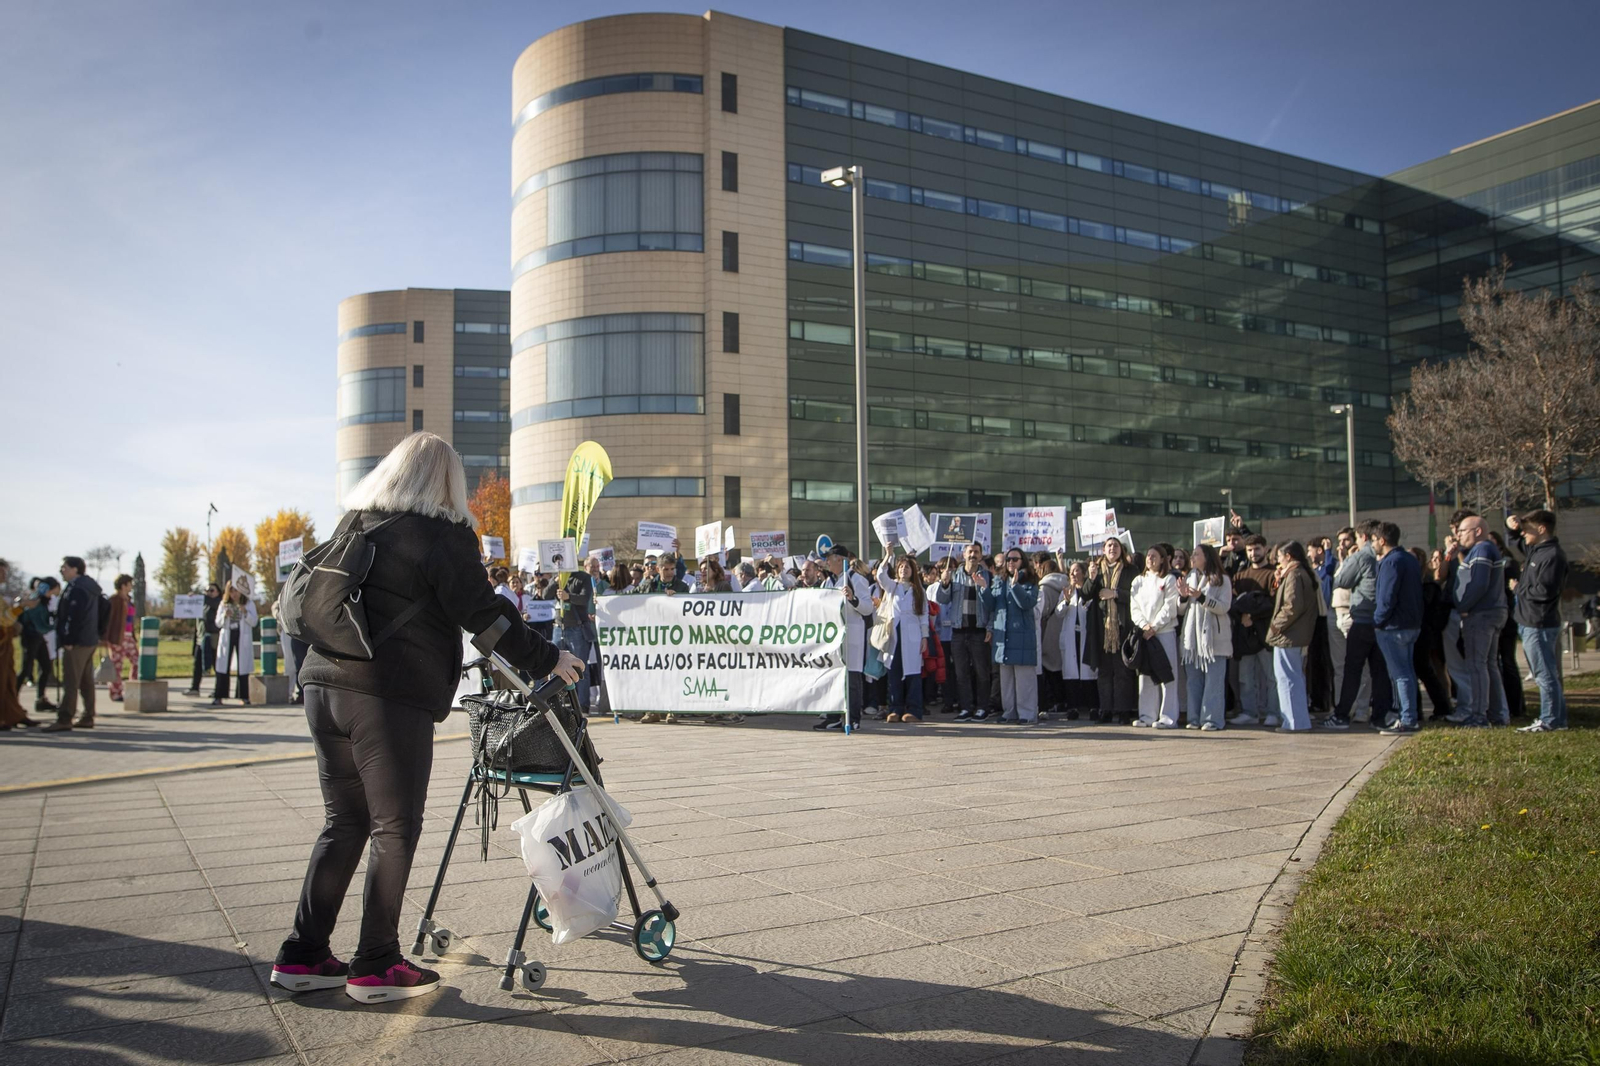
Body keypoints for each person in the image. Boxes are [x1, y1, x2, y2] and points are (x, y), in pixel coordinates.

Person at [275, 432, 581, 1004]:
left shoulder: (356, 524)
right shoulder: (443, 534)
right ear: (447, 482)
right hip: (386, 695)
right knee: (394, 827)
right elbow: (484, 619)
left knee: (344, 823)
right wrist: (549, 658)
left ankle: (303, 954)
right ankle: (376, 963)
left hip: (321, 686)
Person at [1327, 521, 1393, 731]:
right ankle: (1379, 715)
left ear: (1363, 537)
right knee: (1379, 671)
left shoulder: (1363, 556)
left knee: (1352, 669)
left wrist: (1345, 561)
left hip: (1362, 619)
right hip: (1381, 621)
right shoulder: (1387, 556)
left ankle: (1341, 714)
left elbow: (1342, 581)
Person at [1508, 510, 1569, 733]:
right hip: (1530, 621)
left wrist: (1518, 588)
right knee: (1545, 673)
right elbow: (1519, 541)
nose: (1523, 533)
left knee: (1544, 675)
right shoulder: (1538, 550)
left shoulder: (1552, 555)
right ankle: (1558, 720)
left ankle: (1550, 720)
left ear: (1542, 529)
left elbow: (1545, 591)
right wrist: (1513, 527)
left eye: (1528, 528)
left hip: (1539, 623)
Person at [1450, 514, 1508, 728]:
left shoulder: (1482, 549)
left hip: (1481, 615)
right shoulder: (1480, 550)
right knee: (1488, 665)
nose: (1458, 535)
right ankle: (1496, 714)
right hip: (1492, 612)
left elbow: (1479, 583)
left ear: (1478, 531)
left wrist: (1464, 607)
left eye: (1463, 530)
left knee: (1477, 665)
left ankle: (1479, 716)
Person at [932, 542, 995, 721]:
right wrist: (943, 583)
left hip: (979, 631)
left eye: (976, 552)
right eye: (970, 552)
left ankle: (982, 707)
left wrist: (989, 627)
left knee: (981, 672)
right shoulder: (954, 575)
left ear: (981, 555)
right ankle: (965, 707)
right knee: (961, 673)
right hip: (959, 631)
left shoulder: (988, 576)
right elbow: (942, 600)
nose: (973, 555)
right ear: (963, 554)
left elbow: (992, 606)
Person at [1371, 522, 1424, 735]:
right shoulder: (1409, 559)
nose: (1372, 544)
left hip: (1394, 627)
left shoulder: (1391, 562)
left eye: (1374, 540)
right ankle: (1409, 715)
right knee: (1407, 673)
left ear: (1382, 541)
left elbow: (1386, 598)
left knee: (1400, 675)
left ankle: (1408, 719)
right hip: (1410, 625)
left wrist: (1377, 621)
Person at [982, 548, 1040, 724]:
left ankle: (1027, 714)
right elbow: (991, 605)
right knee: (1006, 680)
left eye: (1015, 559)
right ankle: (1010, 712)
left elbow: (1027, 603)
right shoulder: (1000, 580)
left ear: (1022, 561)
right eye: (1008, 559)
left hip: (1021, 636)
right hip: (1003, 635)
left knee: (1024, 680)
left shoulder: (1030, 581)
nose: (1011, 562)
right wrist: (984, 589)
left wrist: (1016, 587)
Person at [44, 555, 102, 732]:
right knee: (85, 680)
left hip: (77, 641)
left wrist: (68, 639)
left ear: (75, 569)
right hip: (89, 638)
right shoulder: (90, 587)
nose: (62, 570)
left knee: (71, 680)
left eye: (65, 567)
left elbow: (75, 616)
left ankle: (65, 717)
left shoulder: (77, 589)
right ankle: (88, 715)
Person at [1179, 543, 1233, 731]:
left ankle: (1211, 720)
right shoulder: (1190, 577)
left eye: (1196, 554)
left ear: (1207, 557)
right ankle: (1194, 718)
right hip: (1192, 641)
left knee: (1214, 683)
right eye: (1192, 554)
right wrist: (1184, 596)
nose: (1192, 557)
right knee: (1193, 681)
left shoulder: (1221, 579)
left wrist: (1202, 597)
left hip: (1214, 640)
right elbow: (1181, 609)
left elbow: (1224, 607)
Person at [1084, 537, 1137, 723]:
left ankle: (1123, 710)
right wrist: (1091, 578)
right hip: (1102, 629)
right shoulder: (1096, 570)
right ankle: (1105, 709)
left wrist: (1115, 594)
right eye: (1109, 546)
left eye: (1115, 545)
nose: (1112, 548)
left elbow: (1137, 595)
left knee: (1123, 671)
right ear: (1103, 550)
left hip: (1123, 627)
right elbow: (1086, 594)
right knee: (1104, 672)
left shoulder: (1131, 570)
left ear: (1121, 549)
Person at [1229, 535, 1280, 728]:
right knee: (1246, 678)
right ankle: (1249, 712)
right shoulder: (1241, 575)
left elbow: (1273, 603)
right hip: (1245, 636)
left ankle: (1273, 712)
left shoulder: (1273, 574)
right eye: (1250, 550)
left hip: (1266, 633)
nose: (1253, 553)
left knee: (1270, 677)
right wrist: (1243, 615)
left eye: (1257, 549)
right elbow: (1233, 602)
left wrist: (1253, 616)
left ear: (1266, 549)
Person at [1266, 540, 1316, 732]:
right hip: (1294, 634)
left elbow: (1292, 606)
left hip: (1289, 635)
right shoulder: (1298, 573)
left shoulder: (1295, 574)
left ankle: (1294, 722)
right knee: (1293, 677)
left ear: (1288, 556)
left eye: (1279, 556)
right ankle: (1298, 721)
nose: (1277, 561)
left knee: (1287, 678)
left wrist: (1275, 627)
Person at [875, 553, 930, 723]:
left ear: (912, 570)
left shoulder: (918, 589)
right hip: (895, 633)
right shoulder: (893, 586)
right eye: (901, 567)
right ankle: (895, 709)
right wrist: (887, 555)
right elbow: (880, 576)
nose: (904, 570)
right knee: (894, 672)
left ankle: (914, 710)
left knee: (913, 673)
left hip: (912, 633)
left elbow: (924, 615)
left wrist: (924, 637)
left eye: (907, 567)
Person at [1130, 545, 1181, 728]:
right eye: (1148, 555)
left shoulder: (1168, 580)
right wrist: (1144, 625)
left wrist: (1155, 626)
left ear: (1162, 559)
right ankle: (1147, 715)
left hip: (1164, 632)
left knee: (1167, 675)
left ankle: (1168, 717)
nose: (1150, 558)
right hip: (1145, 634)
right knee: (1145, 676)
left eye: (1155, 556)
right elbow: (1134, 607)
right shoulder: (1138, 581)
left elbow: (1170, 607)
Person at [1409, 547, 1454, 721]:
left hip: (1424, 631)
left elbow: (1425, 607)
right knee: (1419, 670)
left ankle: (1442, 706)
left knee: (1424, 670)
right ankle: (1423, 709)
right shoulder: (1419, 580)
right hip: (1420, 630)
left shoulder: (1427, 582)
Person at [1054, 560, 1099, 717]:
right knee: (1071, 673)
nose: (1073, 574)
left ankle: (1093, 706)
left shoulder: (1089, 590)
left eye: (1076, 570)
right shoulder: (1067, 591)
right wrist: (1066, 601)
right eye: (1071, 571)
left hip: (1086, 635)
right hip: (1070, 637)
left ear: (1084, 573)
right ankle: (1072, 707)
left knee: (1088, 672)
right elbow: (1059, 613)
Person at [0, 559, 38, 730]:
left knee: (8, 679)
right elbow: (5, 619)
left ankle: (13, 713)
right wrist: (21, 607)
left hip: (5, 644)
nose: (4, 576)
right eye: (1, 572)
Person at [17, 577, 58, 717]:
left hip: (38, 637)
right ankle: (11, 700)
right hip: (31, 636)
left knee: (46, 667)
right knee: (26, 669)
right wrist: (54, 625)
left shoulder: (42, 602)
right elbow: (41, 625)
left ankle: (41, 698)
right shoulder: (36, 602)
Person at [212, 585, 257, 707]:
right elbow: (217, 622)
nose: (234, 594)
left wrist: (245, 612)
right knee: (223, 666)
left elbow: (254, 621)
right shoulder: (224, 604)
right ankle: (219, 696)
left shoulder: (248, 603)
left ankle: (244, 696)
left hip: (242, 636)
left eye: (236, 591)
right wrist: (224, 615)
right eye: (231, 591)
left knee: (243, 667)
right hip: (228, 635)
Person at [1036, 555, 1070, 718]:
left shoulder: (1043, 588)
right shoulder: (1066, 583)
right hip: (1063, 628)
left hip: (1047, 630)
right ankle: (1063, 700)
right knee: (1060, 667)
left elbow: (1041, 611)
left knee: (1049, 668)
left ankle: (1054, 701)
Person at [102, 574, 136, 702]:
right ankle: (115, 692)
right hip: (117, 637)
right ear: (123, 585)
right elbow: (108, 620)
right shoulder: (114, 600)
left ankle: (133, 687)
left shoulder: (129, 600)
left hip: (129, 636)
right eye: (129, 584)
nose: (131, 586)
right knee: (117, 665)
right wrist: (106, 637)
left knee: (137, 660)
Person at [185, 583, 223, 696]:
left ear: (217, 592)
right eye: (206, 591)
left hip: (214, 637)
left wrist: (199, 597)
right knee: (197, 664)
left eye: (211, 590)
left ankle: (218, 690)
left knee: (216, 665)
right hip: (201, 637)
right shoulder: (203, 605)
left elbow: (213, 605)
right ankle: (195, 688)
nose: (208, 593)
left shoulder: (219, 603)